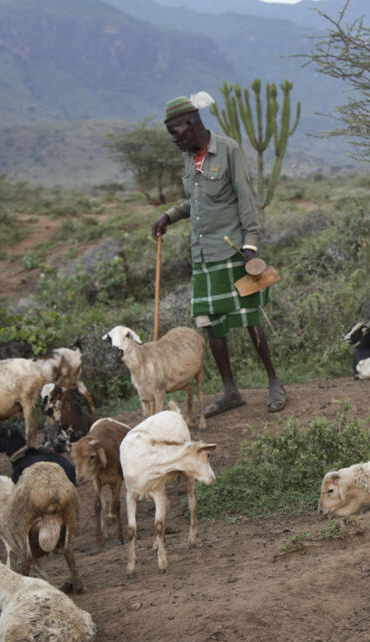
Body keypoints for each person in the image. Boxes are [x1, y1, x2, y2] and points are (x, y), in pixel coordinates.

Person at [151, 91, 287, 416]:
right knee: (212, 324)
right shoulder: (188, 156)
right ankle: (230, 391)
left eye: (176, 133)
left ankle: (274, 383)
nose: (173, 140)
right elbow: (195, 203)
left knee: (251, 318)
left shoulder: (228, 149)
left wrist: (250, 245)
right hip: (203, 255)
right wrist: (169, 215)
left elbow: (245, 198)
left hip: (233, 251)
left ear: (192, 123)